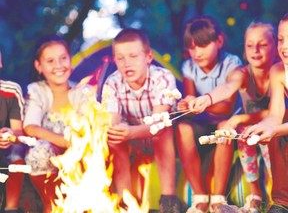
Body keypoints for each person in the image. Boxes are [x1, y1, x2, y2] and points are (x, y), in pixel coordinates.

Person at [188, 20, 278, 212]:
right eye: (250, 45)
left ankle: (275, 195)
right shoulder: (242, 73)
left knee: (264, 139)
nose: (255, 50)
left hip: (276, 129)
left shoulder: (279, 72)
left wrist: (238, 118)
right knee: (243, 133)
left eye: (262, 45)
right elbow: (228, 88)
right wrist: (208, 98)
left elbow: (275, 112)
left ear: (276, 46)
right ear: (244, 49)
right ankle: (255, 196)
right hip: (250, 130)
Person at [102, 28, 181, 213]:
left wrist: (130, 132)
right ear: (114, 60)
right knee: (114, 138)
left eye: (133, 56)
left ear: (148, 57)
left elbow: (159, 123)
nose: (126, 63)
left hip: (166, 140)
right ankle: (125, 201)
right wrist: (118, 130)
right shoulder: (112, 83)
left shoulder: (162, 78)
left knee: (164, 129)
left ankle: (168, 201)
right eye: (120, 58)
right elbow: (113, 120)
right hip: (135, 141)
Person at [175, 15, 243, 212]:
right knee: (183, 128)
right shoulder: (189, 67)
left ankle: (218, 199)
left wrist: (199, 103)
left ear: (219, 41)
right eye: (192, 47)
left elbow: (227, 108)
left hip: (229, 122)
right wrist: (186, 105)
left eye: (203, 45)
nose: (197, 52)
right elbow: (190, 103)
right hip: (204, 122)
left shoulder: (231, 63)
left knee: (224, 127)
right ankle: (200, 197)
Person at [23, 35, 90, 213]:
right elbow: (31, 127)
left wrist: (75, 145)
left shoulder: (82, 91)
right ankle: (51, 204)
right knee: (39, 151)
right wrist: (63, 141)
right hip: (50, 160)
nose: (59, 65)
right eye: (50, 61)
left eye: (63, 58)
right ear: (39, 66)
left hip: (78, 156)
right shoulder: (37, 91)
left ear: (71, 60)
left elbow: (89, 127)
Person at [241, 13, 288, 213]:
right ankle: (281, 202)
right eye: (280, 40)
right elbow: (276, 113)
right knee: (276, 133)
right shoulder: (278, 70)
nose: (284, 47)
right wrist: (264, 126)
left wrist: (276, 129)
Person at [0, 50, 27, 213]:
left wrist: (10, 135)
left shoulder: (11, 91)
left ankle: (11, 209)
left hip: (5, 152)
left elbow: (19, 132)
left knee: (18, 154)